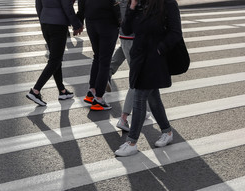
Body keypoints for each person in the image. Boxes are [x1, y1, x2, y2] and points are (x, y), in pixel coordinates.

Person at [115, 0, 182, 156]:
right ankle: (167, 132)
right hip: (139, 59)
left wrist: (159, 50)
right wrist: (132, 6)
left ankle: (131, 142)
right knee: (153, 98)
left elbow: (176, 32)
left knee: (139, 97)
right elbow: (126, 29)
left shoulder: (167, 3)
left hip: (154, 60)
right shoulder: (140, 3)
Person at [26, 0, 84, 106]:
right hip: (58, 25)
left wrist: (43, 19)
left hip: (45, 23)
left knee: (56, 58)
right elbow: (67, 6)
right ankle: (35, 90)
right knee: (55, 60)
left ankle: (62, 91)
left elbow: (38, 5)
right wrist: (76, 25)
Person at [107, 0, 151, 131]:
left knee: (123, 52)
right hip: (134, 37)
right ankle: (124, 117)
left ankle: (107, 73)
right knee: (137, 78)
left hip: (124, 33)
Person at [77, 0, 121, 111]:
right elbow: (115, 5)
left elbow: (81, 4)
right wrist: (120, 22)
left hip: (91, 22)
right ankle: (99, 98)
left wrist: (80, 21)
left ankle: (92, 91)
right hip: (107, 23)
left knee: (97, 57)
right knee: (105, 61)